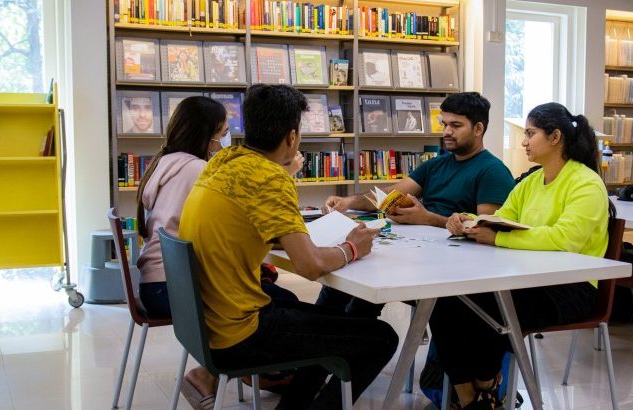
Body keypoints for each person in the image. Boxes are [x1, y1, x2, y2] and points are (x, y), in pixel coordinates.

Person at [179, 84, 398, 409]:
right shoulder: (269, 177)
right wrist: (351, 248)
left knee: (328, 319)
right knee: (381, 338)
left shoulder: (223, 160)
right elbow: (310, 266)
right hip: (239, 333)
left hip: (207, 325)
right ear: (292, 137)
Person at [434, 102, 609, 409]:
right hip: (528, 278)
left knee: (482, 307)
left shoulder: (586, 184)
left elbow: (565, 239)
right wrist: (467, 221)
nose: (524, 141)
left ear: (554, 137)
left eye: (530, 133)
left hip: (572, 288)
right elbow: (501, 218)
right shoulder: (530, 182)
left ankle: (485, 387)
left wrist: (499, 238)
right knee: (446, 300)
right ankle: (470, 396)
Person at [135, 96, 302, 409]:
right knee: (271, 301)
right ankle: (245, 371)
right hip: (172, 287)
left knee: (270, 294)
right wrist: (283, 172)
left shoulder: (166, 161)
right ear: (207, 134)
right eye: (223, 133)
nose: (226, 140)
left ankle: (253, 372)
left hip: (157, 283)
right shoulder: (199, 169)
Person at [321, 92, 515, 316]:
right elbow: (388, 195)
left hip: (454, 266)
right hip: (420, 250)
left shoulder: (493, 171)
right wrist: (348, 201)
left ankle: (346, 333)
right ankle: (323, 331)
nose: (446, 132)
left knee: (364, 283)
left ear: (478, 128)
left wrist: (429, 219)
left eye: (456, 125)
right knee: (345, 273)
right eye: (444, 124)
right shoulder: (436, 165)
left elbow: (485, 230)